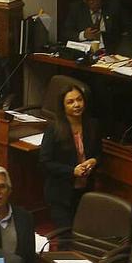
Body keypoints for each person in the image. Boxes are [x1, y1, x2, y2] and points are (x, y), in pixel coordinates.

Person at [39, 85, 101, 229]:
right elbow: (44, 162)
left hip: (84, 191)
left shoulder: (93, 125)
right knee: (65, 235)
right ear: (63, 106)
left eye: (79, 100)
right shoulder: (54, 128)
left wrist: (94, 161)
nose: (77, 104)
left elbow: (99, 154)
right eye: (70, 102)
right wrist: (72, 171)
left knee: (82, 232)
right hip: (60, 192)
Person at [62, 0, 130, 53]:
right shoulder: (76, 9)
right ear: (84, 0)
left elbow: (126, 31)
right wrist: (83, 35)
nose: (95, 3)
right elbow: (66, 33)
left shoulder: (114, 6)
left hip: (110, 50)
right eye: (91, 0)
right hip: (86, 51)